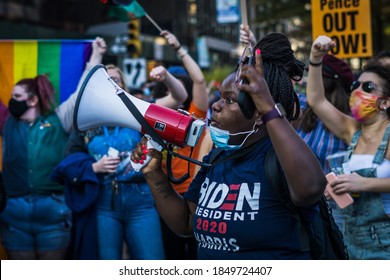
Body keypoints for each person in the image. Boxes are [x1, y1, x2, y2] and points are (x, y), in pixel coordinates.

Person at [131, 32, 327, 259]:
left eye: (230, 100)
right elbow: (186, 224)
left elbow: (311, 188)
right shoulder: (216, 159)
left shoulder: (280, 159)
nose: (216, 106)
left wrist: (267, 105)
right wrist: (154, 175)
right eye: (220, 97)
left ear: (258, 114)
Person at [51, 59, 188, 259]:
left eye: (113, 79)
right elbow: (70, 159)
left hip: (141, 199)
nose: (109, 84)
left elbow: (179, 97)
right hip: (105, 201)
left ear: (122, 85)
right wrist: (93, 167)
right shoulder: (87, 122)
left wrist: (165, 76)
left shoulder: (138, 111)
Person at [0, 37, 106, 260]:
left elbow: (82, 93)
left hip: (54, 210)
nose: (11, 101)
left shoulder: (59, 118)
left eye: (17, 97)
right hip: (14, 212)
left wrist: (96, 55)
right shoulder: (7, 121)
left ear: (33, 100)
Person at [306, 35, 390, 259]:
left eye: (368, 87)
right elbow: (316, 100)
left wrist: (363, 182)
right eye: (356, 85)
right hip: (350, 242)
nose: (357, 91)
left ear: (385, 101)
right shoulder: (352, 130)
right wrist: (315, 58)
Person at [150, 30, 209, 260]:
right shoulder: (154, 119)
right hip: (168, 199)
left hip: (196, 197)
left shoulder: (193, 115)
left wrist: (178, 48)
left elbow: (200, 80)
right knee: (172, 255)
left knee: (198, 255)